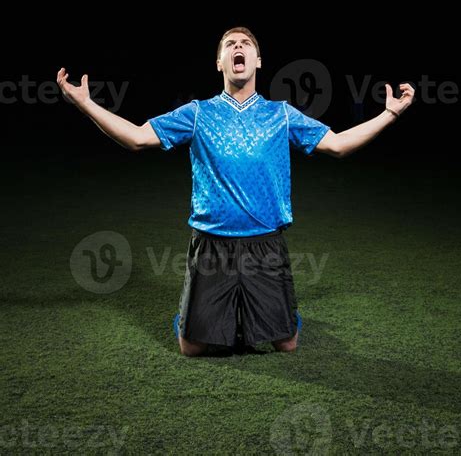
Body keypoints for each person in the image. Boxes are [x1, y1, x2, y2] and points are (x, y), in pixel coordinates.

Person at [56, 27, 415, 357]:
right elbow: (136, 138)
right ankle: (189, 317)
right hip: (212, 242)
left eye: (246, 44)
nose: (238, 47)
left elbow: (337, 145)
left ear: (258, 61)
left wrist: (390, 115)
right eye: (230, 44)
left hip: (265, 243)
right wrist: (85, 103)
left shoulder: (281, 114)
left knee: (286, 344)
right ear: (219, 62)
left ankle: (273, 313)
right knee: (191, 348)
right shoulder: (198, 113)